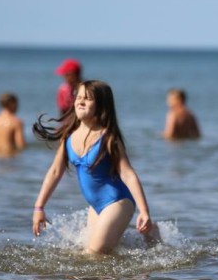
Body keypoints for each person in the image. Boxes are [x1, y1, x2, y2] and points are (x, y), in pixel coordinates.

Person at [32, 80, 154, 254]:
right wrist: (39, 207)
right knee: (100, 252)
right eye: (79, 97)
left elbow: (128, 174)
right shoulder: (68, 136)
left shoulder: (108, 138)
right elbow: (54, 172)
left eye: (88, 99)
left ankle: (146, 233)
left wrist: (144, 211)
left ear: (101, 106)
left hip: (117, 201)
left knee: (94, 252)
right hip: (95, 207)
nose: (81, 101)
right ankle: (149, 237)